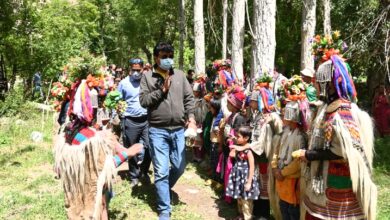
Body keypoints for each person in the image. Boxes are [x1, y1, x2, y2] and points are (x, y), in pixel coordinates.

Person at [297, 51, 377, 220]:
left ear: (328, 83)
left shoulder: (342, 112)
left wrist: (309, 155)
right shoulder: (327, 107)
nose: (315, 85)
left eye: (318, 81)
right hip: (323, 181)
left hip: (335, 184)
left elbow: (343, 151)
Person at [54, 79, 143, 219]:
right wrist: (129, 152)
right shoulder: (90, 138)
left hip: (75, 190)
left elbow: (58, 168)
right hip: (91, 192)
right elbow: (105, 168)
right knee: (100, 204)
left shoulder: (68, 130)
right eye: (98, 104)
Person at [139, 42, 196, 220]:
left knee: (179, 167)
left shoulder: (179, 75)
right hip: (157, 130)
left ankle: (162, 187)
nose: (167, 60)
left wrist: (192, 119)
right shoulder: (147, 77)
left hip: (179, 129)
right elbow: (143, 101)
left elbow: (189, 99)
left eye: (170, 56)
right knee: (161, 170)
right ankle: (165, 209)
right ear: (156, 57)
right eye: (164, 57)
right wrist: (161, 91)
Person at [118, 58, 151, 187]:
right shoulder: (123, 83)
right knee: (131, 149)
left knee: (149, 147)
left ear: (142, 69)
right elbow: (118, 100)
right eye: (134, 70)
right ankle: (134, 176)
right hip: (130, 120)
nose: (136, 72)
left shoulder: (147, 82)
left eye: (138, 70)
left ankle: (144, 171)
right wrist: (118, 113)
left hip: (146, 120)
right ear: (130, 69)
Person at [226, 126, 260, 220]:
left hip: (245, 177)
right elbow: (231, 155)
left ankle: (247, 217)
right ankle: (241, 215)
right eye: (236, 136)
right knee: (239, 198)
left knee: (246, 201)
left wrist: (249, 182)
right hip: (238, 177)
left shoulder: (248, 151)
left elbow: (252, 167)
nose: (236, 138)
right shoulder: (239, 148)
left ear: (246, 138)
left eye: (238, 137)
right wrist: (234, 145)